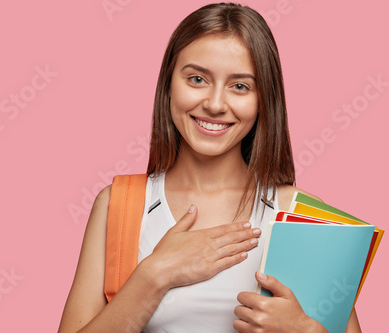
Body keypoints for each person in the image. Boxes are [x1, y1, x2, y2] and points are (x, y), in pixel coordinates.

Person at [58, 3, 362, 332]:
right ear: (169, 85)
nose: (215, 104)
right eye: (197, 79)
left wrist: (306, 331)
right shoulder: (119, 205)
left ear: (264, 100)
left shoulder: (304, 217)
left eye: (240, 86)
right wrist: (155, 274)